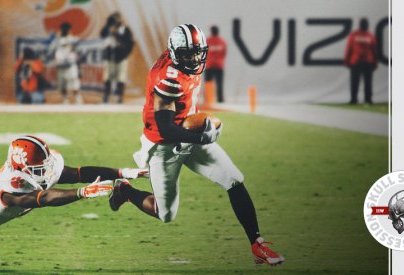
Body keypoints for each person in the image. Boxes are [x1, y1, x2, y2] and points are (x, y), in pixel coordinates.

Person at [109, 24, 284, 266]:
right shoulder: (168, 78)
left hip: (189, 132)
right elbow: (166, 128)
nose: (193, 59)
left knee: (233, 179)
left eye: (196, 52)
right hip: (164, 145)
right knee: (165, 214)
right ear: (173, 52)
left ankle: (257, 244)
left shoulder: (185, 60)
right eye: (187, 54)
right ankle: (125, 191)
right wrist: (202, 137)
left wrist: (198, 130)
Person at [0, 135, 148, 229]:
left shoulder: (35, 169)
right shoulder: (11, 184)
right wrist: (82, 193)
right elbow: (44, 197)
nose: (47, 172)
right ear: (21, 168)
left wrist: (122, 172)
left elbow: (78, 174)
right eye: (39, 169)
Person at [100, 12, 134, 104]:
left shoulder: (125, 30)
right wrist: (108, 24)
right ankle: (106, 96)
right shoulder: (109, 28)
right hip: (110, 57)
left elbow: (129, 43)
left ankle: (119, 97)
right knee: (107, 77)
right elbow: (102, 34)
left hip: (121, 57)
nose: (116, 22)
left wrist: (117, 35)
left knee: (121, 77)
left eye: (117, 20)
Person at [344, 18, 378, 105]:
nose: (365, 25)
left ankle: (358, 99)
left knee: (361, 82)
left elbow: (349, 48)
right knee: (365, 82)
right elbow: (374, 50)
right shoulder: (370, 35)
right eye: (365, 24)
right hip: (363, 61)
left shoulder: (355, 35)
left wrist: (347, 60)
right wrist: (375, 62)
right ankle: (363, 99)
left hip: (359, 61)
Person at [52, 22, 82, 104]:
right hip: (61, 65)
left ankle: (78, 99)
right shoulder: (57, 40)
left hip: (71, 65)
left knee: (74, 85)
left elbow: (79, 51)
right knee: (62, 85)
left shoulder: (73, 39)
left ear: (69, 30)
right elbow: (51, 50)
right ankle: (65, 99)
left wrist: (75, 55)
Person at [205, 25, 227, 103]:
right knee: (219, 83)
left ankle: (208, 99)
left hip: (209, 65)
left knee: (208, 83)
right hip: (219, 65)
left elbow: (204, 52)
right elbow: (224, 53)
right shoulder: (222, 41)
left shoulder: (207, 41)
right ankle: (220, 99)